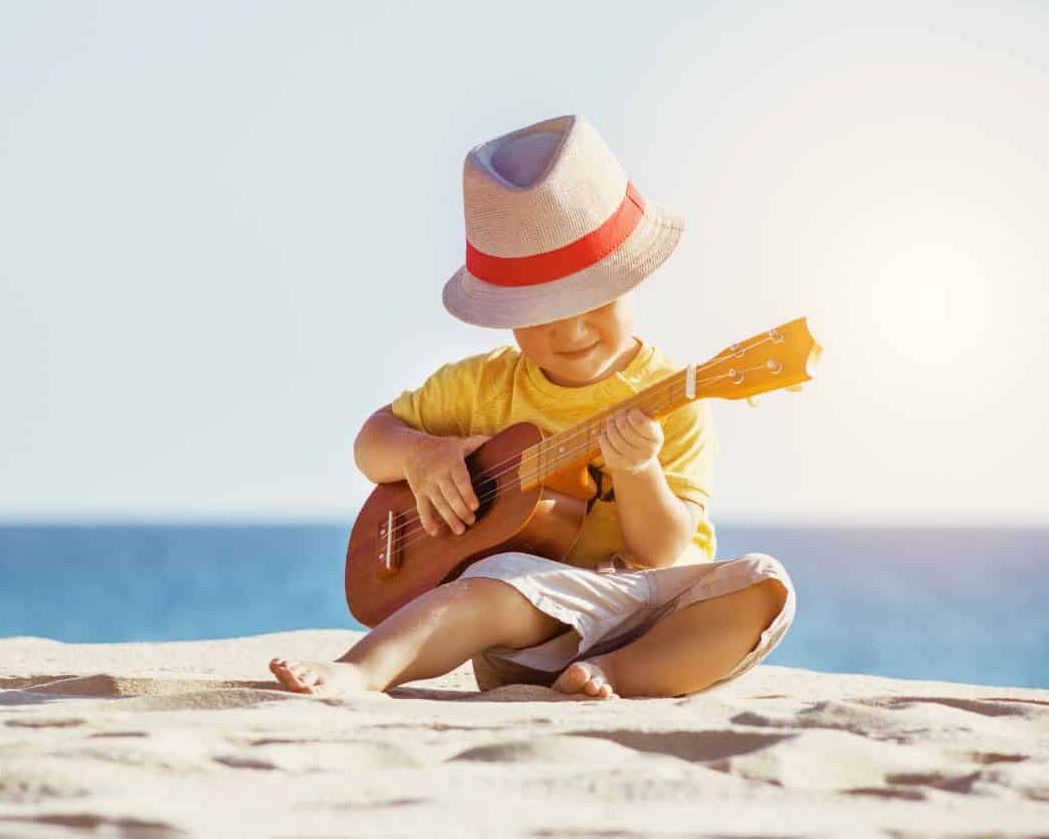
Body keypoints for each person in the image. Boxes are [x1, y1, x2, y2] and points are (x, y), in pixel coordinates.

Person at [270, 114, 796, 700]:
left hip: (642, 612)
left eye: (593, 298)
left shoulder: (674, 399)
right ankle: (362, 670)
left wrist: (639, 471)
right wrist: (420, 454)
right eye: (540, 309)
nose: (570, 330)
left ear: (633, 279)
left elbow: (665, 551)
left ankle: (613, 676)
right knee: (491, 581)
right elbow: (372, 445)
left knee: (764, 586)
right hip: (524, 617)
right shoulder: (481, 386)